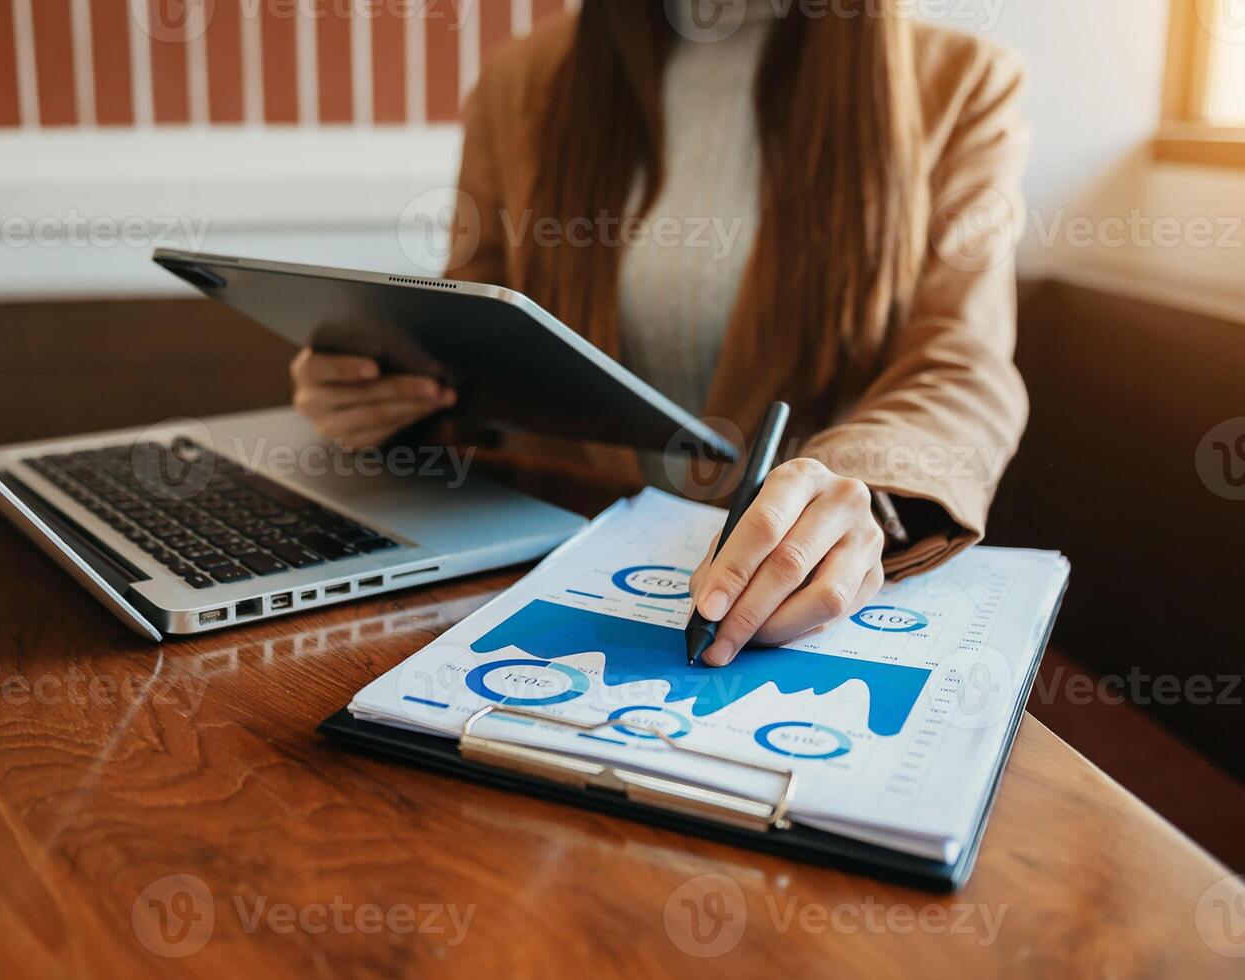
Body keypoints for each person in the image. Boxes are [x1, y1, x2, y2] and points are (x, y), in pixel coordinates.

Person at [290, 1, 1029, 667]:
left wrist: (862, 485)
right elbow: (477, 329)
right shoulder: (523, 80)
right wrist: (390, 395)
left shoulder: (962, 83)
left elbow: (960, 361)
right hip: (551, 579)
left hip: (795, 600)